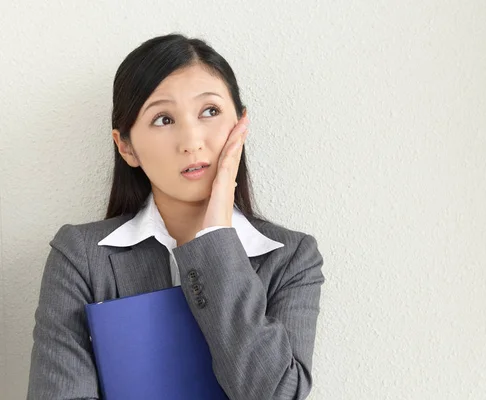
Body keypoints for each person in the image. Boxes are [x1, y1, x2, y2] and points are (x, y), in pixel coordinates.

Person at [27, 33, 325, 400]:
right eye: (163, 119)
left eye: (210, 112)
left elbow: (274, 393)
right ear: (126, 146)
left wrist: (216, 235)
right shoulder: (81, 256)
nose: (191, 140)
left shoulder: (292, 257)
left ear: (241, 125)